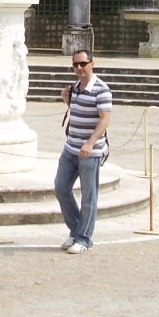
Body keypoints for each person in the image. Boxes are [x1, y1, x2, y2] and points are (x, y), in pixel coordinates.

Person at [54, 49, 111, 254]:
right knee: (61, 188)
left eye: (83, 64)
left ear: (92, 63)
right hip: (70, 148)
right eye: (75, 65)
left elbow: (105, 118)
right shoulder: (74, 88)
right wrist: (66, 99)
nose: (79, 68)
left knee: (89, 195)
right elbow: (77, 110)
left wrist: (90, 143)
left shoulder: (101, 89)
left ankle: (84, 238)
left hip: (91, 150)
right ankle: (77, 230)